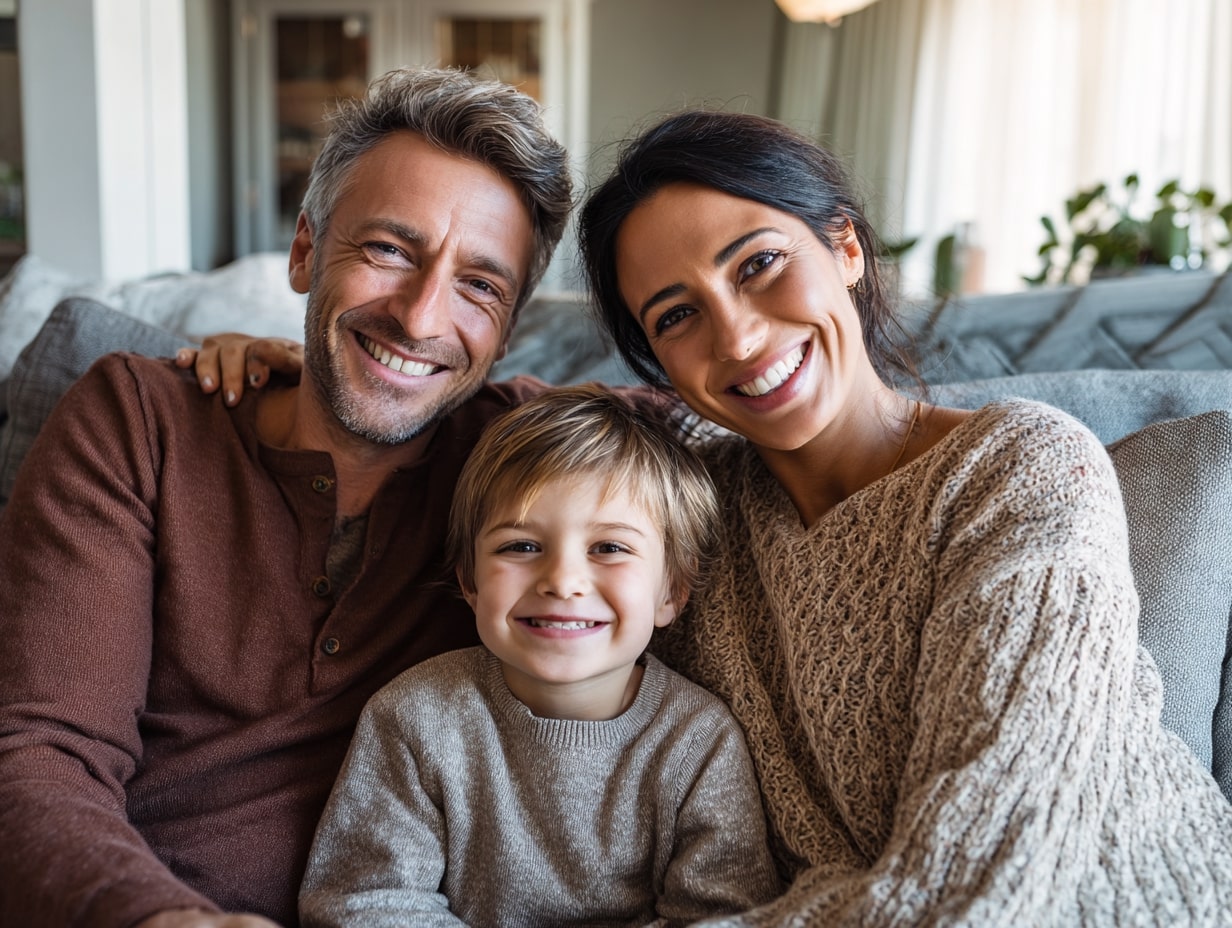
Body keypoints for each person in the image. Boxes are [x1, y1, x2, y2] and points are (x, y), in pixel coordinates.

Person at [574, 110, 1232, 925]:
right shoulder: (685, 522)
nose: (738, 337)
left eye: (760, 264)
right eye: (676, 316)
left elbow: (983, 877)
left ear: (845, 247)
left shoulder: (1020, 468)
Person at [0, 67, 573, 928]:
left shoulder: (526, 456)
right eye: (388, 250)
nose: (420, 318)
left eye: (479, 286)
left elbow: (724, 419)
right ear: (306, 251)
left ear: (509, 326)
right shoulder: (138, 419)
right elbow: (42, 751)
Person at [298, 385, 781, 928]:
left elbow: (725, 916)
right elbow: (366, 901)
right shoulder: (414, 717)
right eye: (521, 547)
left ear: (671, 591)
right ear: (471, 582)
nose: (563, 582)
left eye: (610, 548)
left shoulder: (698, 741)